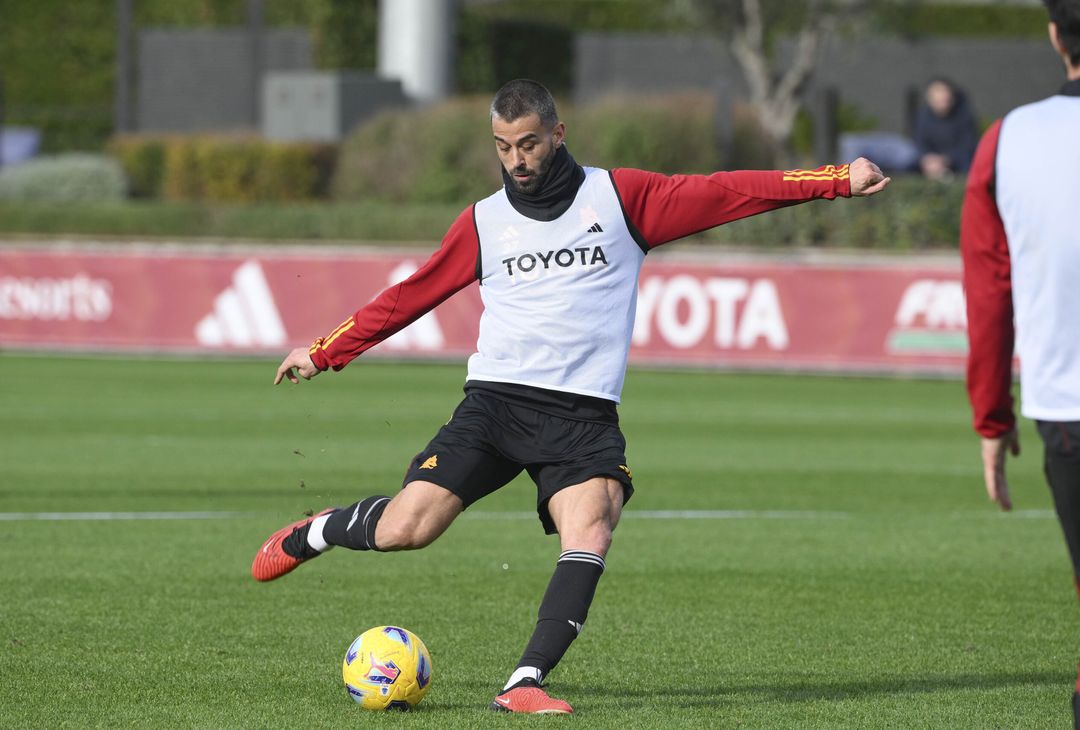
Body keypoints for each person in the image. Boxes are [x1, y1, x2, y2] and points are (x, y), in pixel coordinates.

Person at [252, 79, 890, 714]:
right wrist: (325, 350)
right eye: (503, 148)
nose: (516, 161)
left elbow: (728, 193)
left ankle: (524, 682)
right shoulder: (484, 221)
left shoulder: (621, 198)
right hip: (496, 405)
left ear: (558, 135)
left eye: (528, 143)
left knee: (592, 523)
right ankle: (322, 531)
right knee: (404, 530)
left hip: (582, 416)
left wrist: (837, 178)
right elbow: (412, 294)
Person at [960, 0, 1080, 724]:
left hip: (1067, 408)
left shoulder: (1009, 139)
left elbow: (989, 291)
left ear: (1053, 34)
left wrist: (991, 416)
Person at [914, 77, 979, 180]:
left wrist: (944, 160)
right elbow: (919, 143)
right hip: (928, 168)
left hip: (959, 169)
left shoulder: (964, 116)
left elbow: (967, 147)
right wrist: (928, 160)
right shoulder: (923, 116)